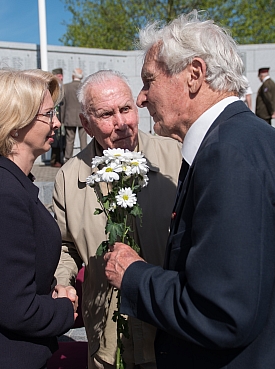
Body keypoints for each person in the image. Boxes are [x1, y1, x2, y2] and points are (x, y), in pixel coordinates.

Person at [103, 11, 275, 369]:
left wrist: (134, 275)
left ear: (194, 74)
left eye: (149, 80)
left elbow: (220, 313)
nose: (141, 98)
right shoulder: (250, 139)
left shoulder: (228, 153)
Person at [53, 70, 182, 369]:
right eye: (107, 114)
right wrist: (63, 282)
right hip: (109, 339)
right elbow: (65, 246)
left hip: (170, 334)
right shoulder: (70, 177)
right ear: (86, 123)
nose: (121, 122)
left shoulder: (174, 158)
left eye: (126, 109)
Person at [0, 69, 78, 369]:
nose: (57, 123)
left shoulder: (6, 182)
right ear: (15, 126)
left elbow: (14, 279)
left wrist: (50, 292)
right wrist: (66, 308)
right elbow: (17, 309)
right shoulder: (3, 194)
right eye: (48, 114)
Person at [62, 68, 87, 161]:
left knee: (69, 140)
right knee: (83, 140)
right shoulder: (84, 86)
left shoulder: (66, 87)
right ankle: (85, 158)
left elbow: (63, 104)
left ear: (73, 76)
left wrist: (61, 118)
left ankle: (67, 158)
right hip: (83, 117)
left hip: (69, 116)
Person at [49, 67, 66, 167]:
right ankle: (54, 160)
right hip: (54, 116)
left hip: (61, 117)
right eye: (58, 76)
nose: (61, 78)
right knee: (54, 140)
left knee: (62, 140)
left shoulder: (63, 88)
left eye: (61, 76)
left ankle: (60, 159)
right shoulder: (52, 88)